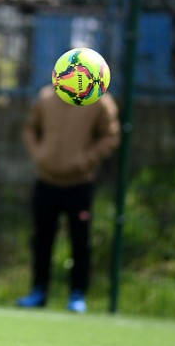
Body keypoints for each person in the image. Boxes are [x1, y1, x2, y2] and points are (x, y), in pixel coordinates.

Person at [16, 84, 120, 313]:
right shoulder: (45, 97)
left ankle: (78, 294)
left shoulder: (100, 101)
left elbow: (111, 136)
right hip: (46, 181)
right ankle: (38, 290)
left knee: (80, 241)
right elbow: (30, 129)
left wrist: (86, 160)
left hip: (80, 184)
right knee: (41, 239)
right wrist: (40, 155)